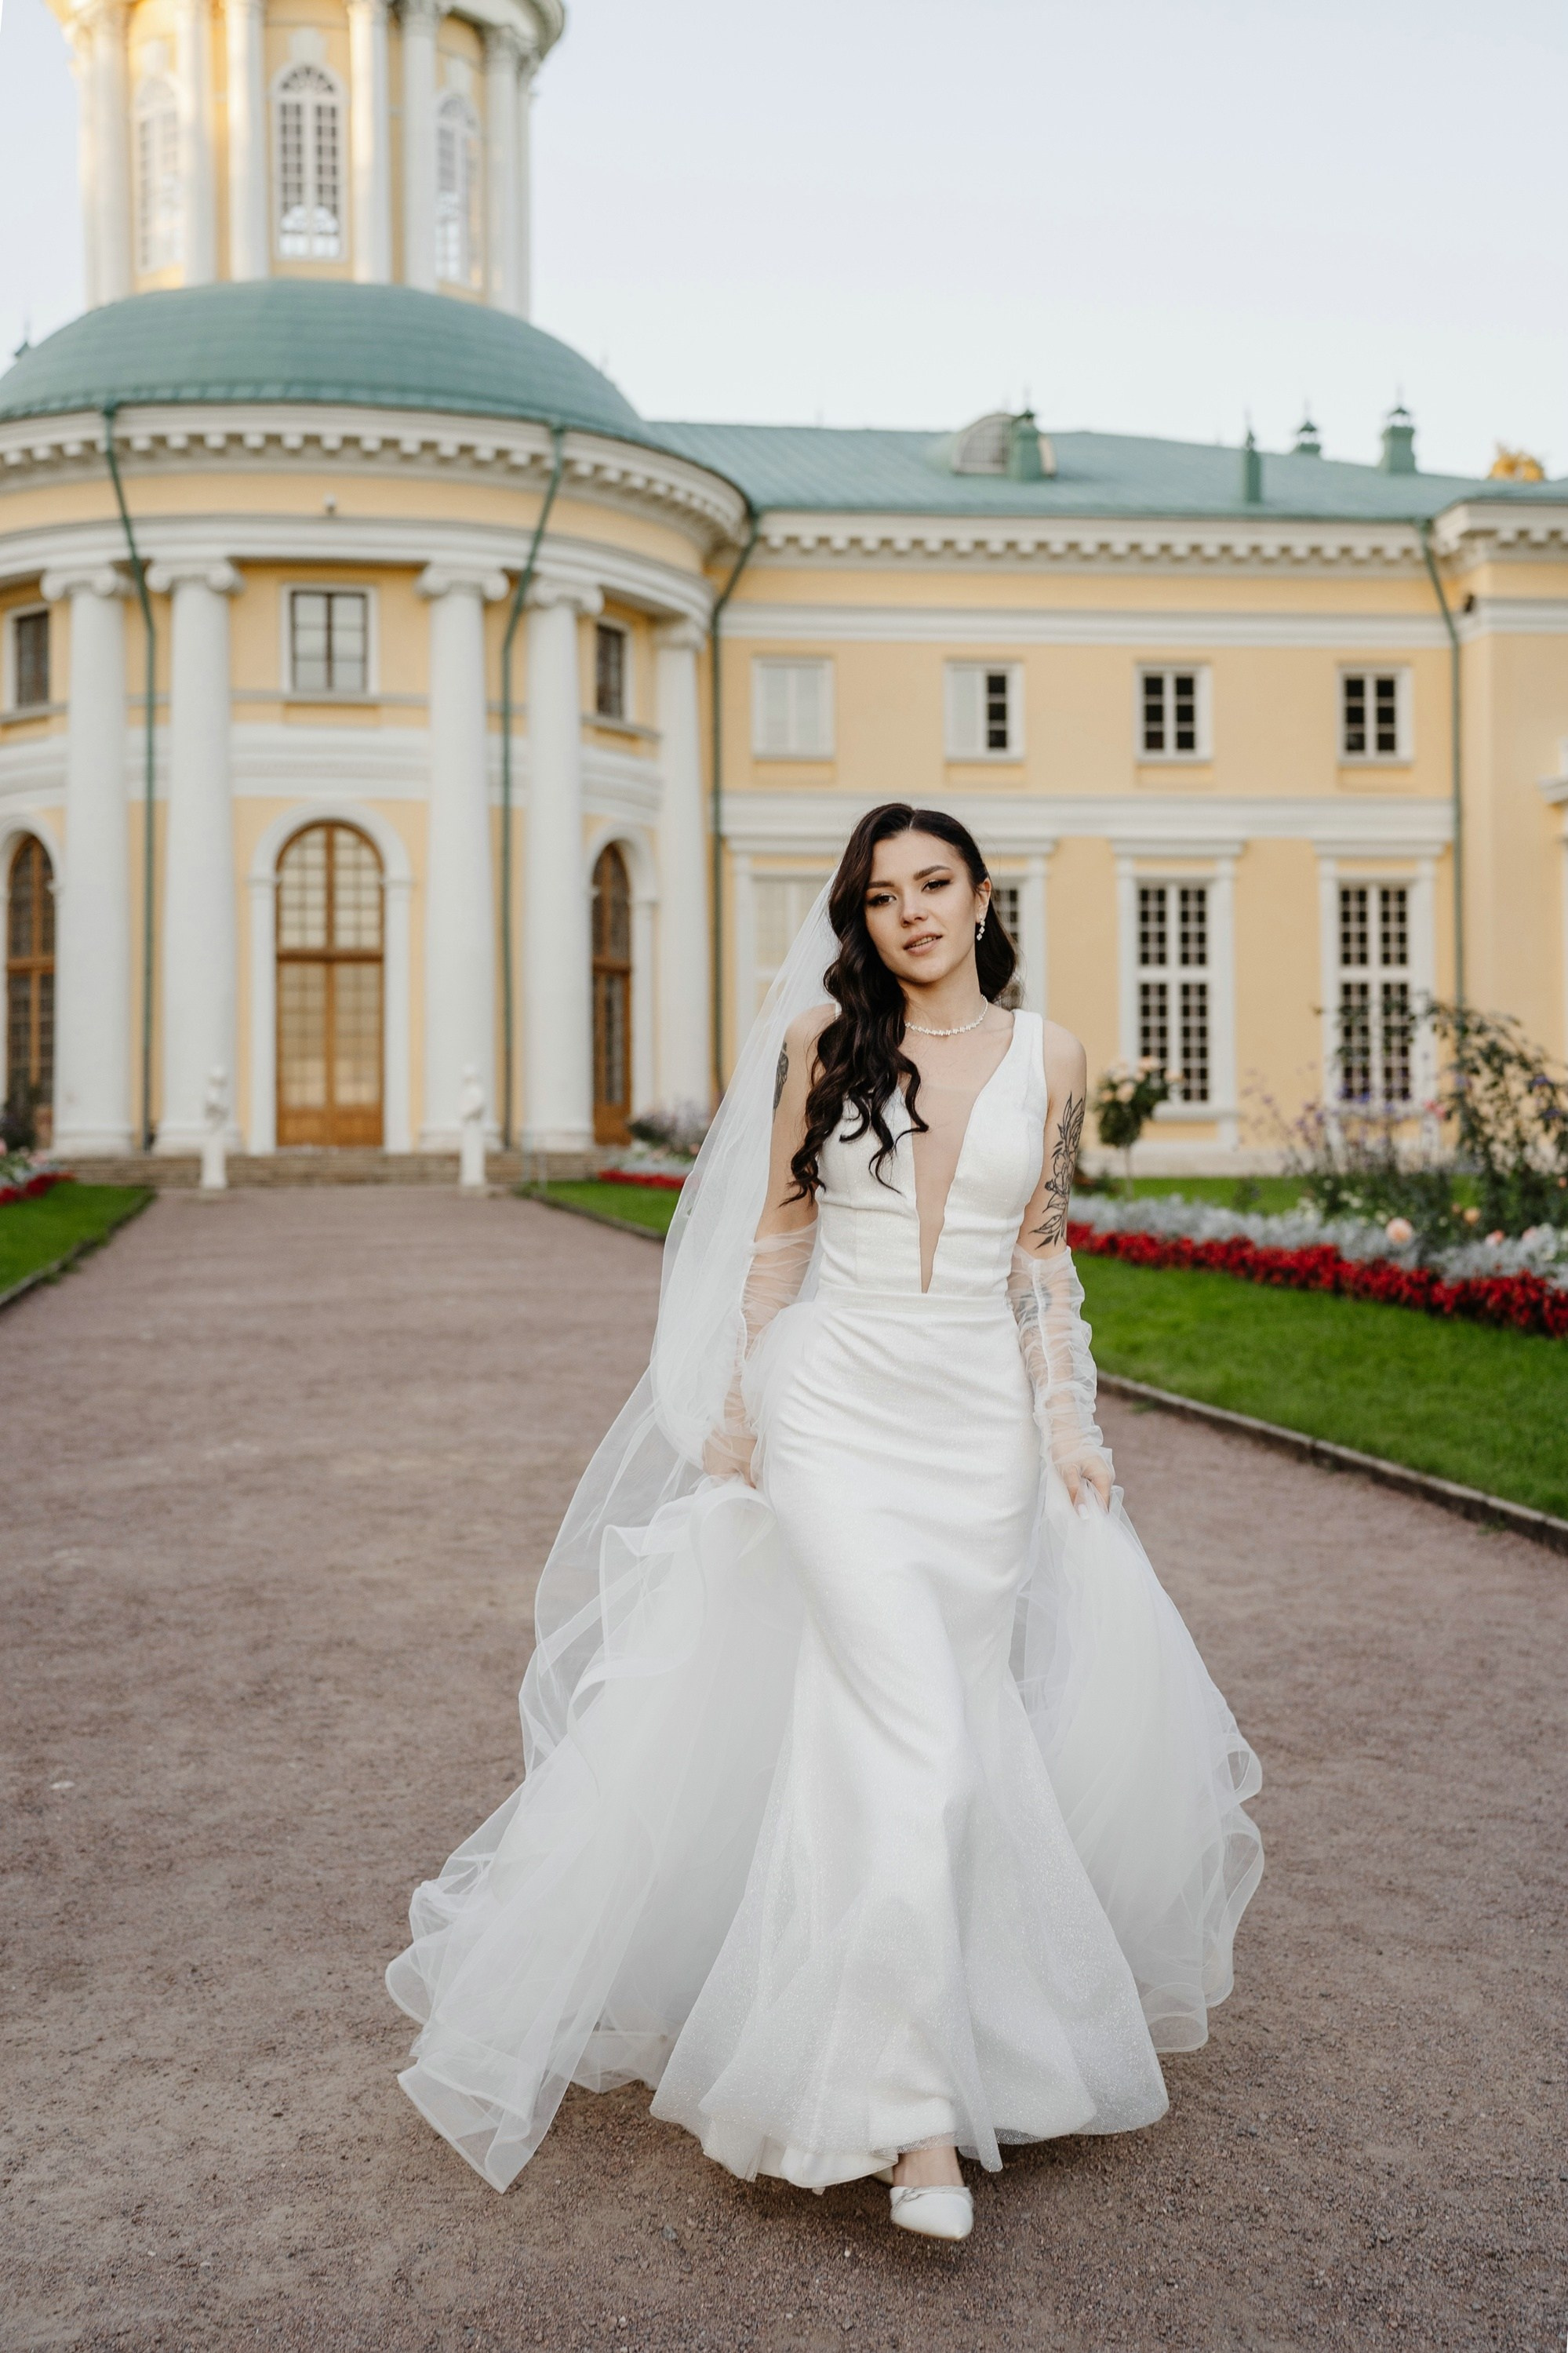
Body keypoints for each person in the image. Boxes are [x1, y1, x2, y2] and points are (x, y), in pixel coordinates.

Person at [388, 802, 1262, 2245]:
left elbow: (1041, 1253)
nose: (910, 912)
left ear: (983, 896)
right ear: (858, 923)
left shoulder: (1050, 1058)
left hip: (978, 1434)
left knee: (941, 1741)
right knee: (918, 1734)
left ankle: (968, 2037)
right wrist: (740, 1410)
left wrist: (1069, 1426)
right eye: (879, 896)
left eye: (934, 884)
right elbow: (777, 1240)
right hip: (835, 1415)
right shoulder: (824, 1048)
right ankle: (912, 2116)